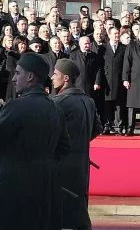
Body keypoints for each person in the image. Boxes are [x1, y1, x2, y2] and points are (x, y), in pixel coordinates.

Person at [0, 52, 70, 230]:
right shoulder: (55, 109)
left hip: (15, 189)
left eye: (17, 73)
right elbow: (64, 147)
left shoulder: (15, 107)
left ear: (30, 76)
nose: (14, 79)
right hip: (47, 189)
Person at [51, 59, 102, 230]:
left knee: (61, 209)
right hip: (82, 163)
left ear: (65, 78)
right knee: (79, 203)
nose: (52, 77)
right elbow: (97, 128)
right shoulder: (88, 101)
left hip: (62, 163)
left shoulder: (59, 102)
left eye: (55, 74)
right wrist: (81, 141)